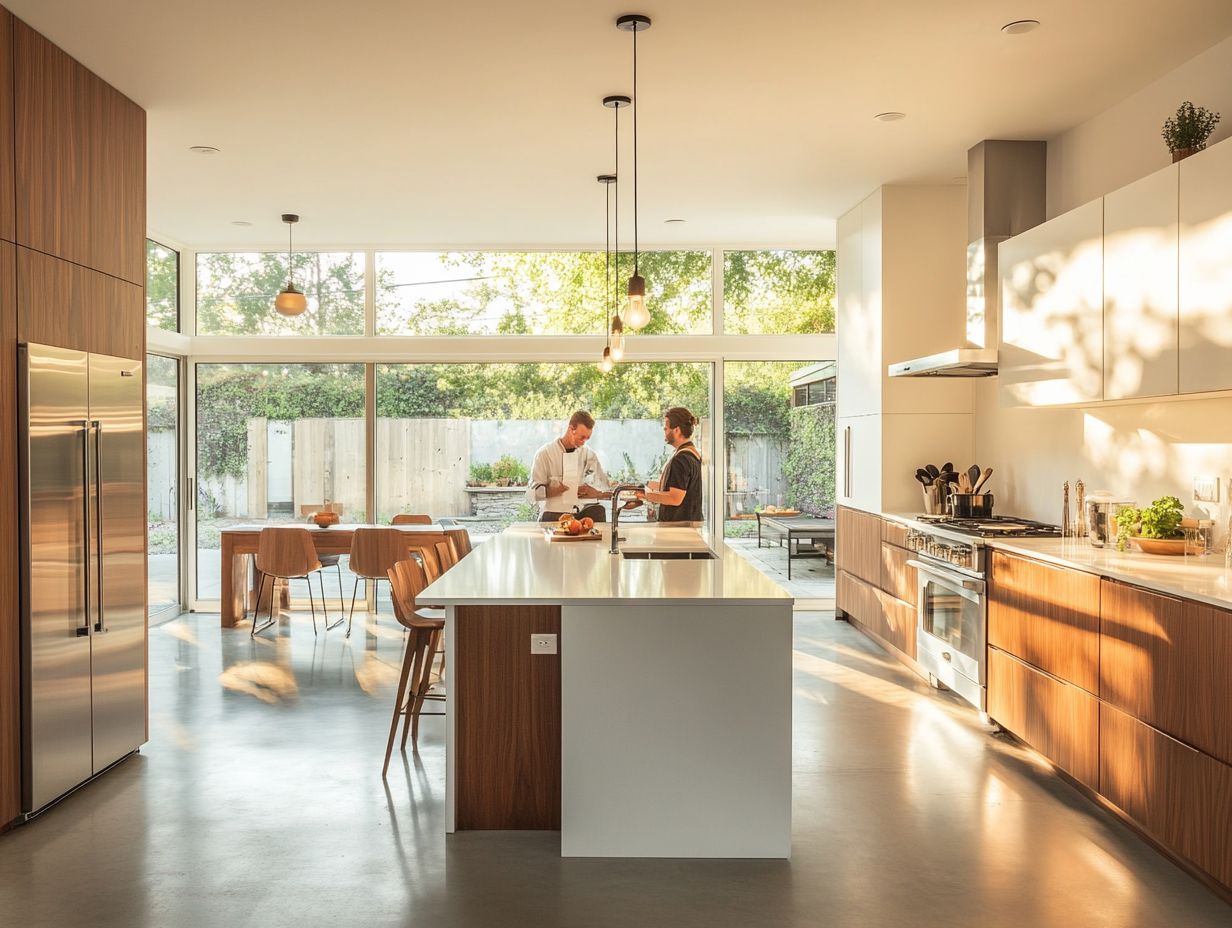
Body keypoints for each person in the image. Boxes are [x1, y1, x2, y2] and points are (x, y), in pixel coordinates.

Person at [526, 410, 612, 522]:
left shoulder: (588, 454)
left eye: (587, 438)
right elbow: (530, 495)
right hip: (553, 514)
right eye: (582, 437)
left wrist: (595, 493)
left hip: (582, 512)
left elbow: (604, 485)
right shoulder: (544, 454)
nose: (583, 442)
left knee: (598, 510)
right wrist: (553, 490)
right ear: (571, 429)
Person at [635, 406, 703, 524]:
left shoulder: (681, 458)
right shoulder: (690, 453)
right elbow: (673, 486)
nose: (664, 432)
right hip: (687, 524)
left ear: (677, 430)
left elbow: (674, 498)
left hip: (680, 527)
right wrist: (645, 484)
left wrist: (646, 495)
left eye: (666, 429)